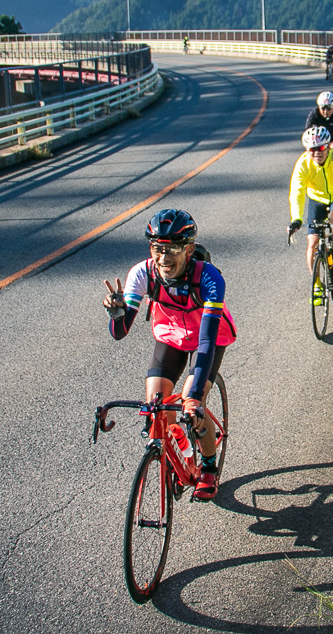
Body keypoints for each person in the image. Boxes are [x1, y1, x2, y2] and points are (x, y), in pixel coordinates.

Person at [102, 209, 236, 501]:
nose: (164, 258)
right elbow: (120, 332)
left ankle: (209, 466)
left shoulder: (210, 278)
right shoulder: (142, 273)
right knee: (156, 408)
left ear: (188, 250)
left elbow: (207, 340)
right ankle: (179, 453)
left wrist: (194, 398)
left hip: (207, 338)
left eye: (173, 249)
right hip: (171, 334)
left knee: (193, 400)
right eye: (158, 248)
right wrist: (117, 314)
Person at [288, 127, 333, 306]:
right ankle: (317, 284)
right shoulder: (303, 163)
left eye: (320, 148)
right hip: (316, 199)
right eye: (312, 149)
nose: (316, 153)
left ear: (327, 147)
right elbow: (297, 192)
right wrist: (296, 219)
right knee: (312, 241)